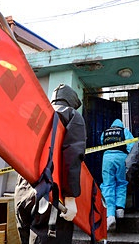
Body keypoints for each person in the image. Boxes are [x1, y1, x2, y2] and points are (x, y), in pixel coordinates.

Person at [14, 84, 86, 244]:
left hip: (22, 193)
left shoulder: (36, 115)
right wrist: (70, 197)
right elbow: (73, 154)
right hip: (50, 195)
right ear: (72, 101)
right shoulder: (71, 114)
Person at [100, 119, 134, 231]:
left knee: (108, 185)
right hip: (121, 158)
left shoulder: (105, 132)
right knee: (121, 183)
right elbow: (131, 146)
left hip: (107, 159)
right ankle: (120, 210)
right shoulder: (124, 131)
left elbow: (101, 143)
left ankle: (110, 215)